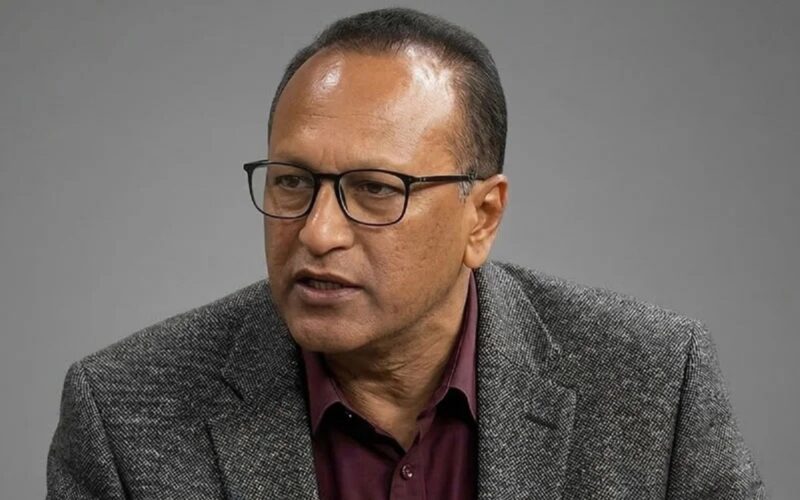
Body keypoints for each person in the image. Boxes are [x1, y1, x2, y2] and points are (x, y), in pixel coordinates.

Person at [46, 7, 766, 500]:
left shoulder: (653, 386)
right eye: (292, 181)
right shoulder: (123, 418)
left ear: (482, 217)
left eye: (374, 189)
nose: (318, 232)